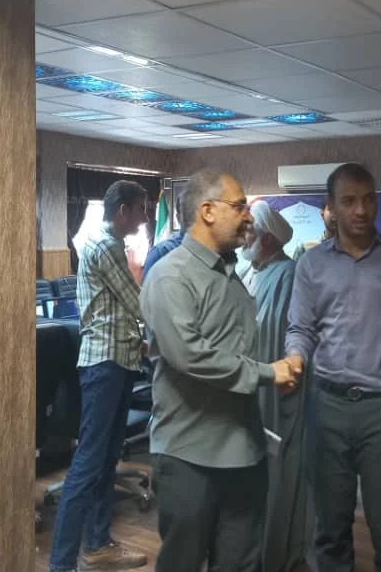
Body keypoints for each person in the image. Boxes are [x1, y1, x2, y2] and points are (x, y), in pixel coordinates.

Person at [140, 168, 301, 572]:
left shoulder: (231, 274)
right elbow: (191, 355)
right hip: (190, 457)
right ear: (208, 211)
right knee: (183, 563)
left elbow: (238, 346)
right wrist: (268, 373)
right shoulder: (170, 275)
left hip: (244, 451)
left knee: (241, 564)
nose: (249, 215)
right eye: (240, 206)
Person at [285, 162, 381, 572]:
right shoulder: (311, 265)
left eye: (368, 199)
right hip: (327, 407)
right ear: (331, 207)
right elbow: (301, 328)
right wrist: (295, 357)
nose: (361, 210)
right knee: (330, 526)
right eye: (349, 201)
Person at [49, 181, 151, 572]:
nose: (145, 217)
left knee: (106, 458)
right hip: (105, 365)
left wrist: (141, 340)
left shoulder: (106, 243)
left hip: (118, 360)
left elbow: (116, 310)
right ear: (123, 210)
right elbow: (137, 302)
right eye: (141, 209)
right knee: (89, 463)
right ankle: (61, 563)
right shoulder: (106, 246)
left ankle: (98, 544)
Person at [236, 201, 313, 572]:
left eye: (249, 231)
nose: (243, 238)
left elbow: (276, 336)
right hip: (248, 388)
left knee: (275, 470)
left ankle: (275, 553)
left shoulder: (287, 275)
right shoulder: (250, 271)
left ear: (266, 239)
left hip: (274, 393)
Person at [142, 191, 187, 283]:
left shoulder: (215, 249)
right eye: (189, 213)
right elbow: (148, 289)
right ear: (178, 218)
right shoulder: (160, 253)